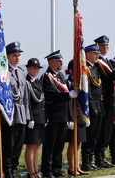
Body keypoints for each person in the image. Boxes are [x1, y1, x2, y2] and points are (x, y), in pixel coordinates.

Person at [41, 50, 77, 178]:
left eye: (61, 60)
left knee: (59, 145)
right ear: (51, 62)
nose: (62, 62)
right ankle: (47, 170)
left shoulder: (61, 76)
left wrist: (69, 117)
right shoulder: (46, 77)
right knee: (50, 145)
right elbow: (50, 96)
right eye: (58, 60)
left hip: (63, 116)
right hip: (53, 116)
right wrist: (67, 96)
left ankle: (57, 169)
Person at [2, 41, 30, 178]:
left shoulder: (21, 72)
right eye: (14, 55)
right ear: (7, 57)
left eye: (19, 55)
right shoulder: (4, 73)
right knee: (9, 144)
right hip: (10, 113)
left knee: (18, 145)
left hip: (21, 114)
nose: (17, 58)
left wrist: (28, 116)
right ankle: (7, 170)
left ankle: (14, 168)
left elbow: (25, 98)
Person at [94, 35, 115, 168]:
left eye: (107, 45)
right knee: (102, 130)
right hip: (104, 99)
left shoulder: (107, 62)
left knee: (108, 130)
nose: (105, 48)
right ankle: (99, 157)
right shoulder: (98, 63)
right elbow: (103, 82)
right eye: (103, 46)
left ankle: (103, 157)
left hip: (112, 99)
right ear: (97, 46)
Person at [81, 44, 104, 171]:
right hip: (92, 106)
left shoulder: (94, 69)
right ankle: (86, 162)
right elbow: (87, 91)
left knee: (96, 134)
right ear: (88, 54)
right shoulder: (86, 70)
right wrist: (92, 107)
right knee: (90, 135)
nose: (97, 56)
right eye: (95, 54)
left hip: (99, 105)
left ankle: (91, 160)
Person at [64, 60, 88, 176]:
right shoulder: (68, 82)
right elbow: (68, 100)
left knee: (78, 143)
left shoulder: (81, 82)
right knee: (73, 143)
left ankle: (77, 166)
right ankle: (71, 167)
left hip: (80, 113)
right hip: (73, 114)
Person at [24, 58, 45, 178]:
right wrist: (29, 118)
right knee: (31, 146)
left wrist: (45, 118)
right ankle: (31, 172)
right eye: (33, 68)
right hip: (33, 118)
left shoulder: (38, 82)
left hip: (40, 117)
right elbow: (27, 102)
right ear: (28, 68)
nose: (35, 70)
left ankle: (36, 170)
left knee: (37, 146)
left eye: (37, 68)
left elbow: (42, 102)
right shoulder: (27, 82)